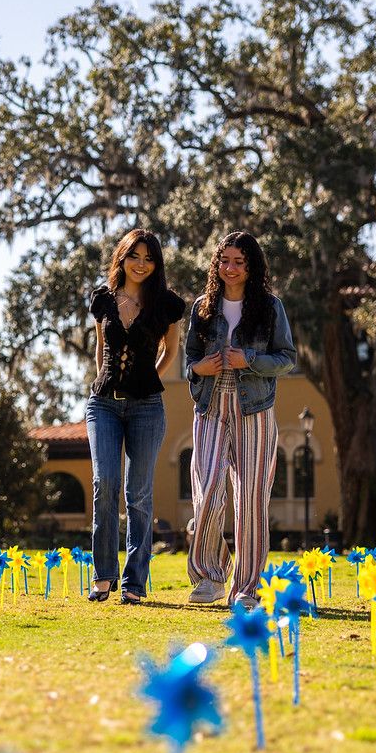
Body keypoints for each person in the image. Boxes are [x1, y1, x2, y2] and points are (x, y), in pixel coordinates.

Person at [183, 231, 297, 608]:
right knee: (209, 489)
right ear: (216, 264)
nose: (230, 268)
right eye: (224, 261)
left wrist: (249, 359)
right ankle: (211, 576)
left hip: (255, 410)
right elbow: (190, 363)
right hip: (211, 406)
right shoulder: (203, 306)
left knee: (251, 500)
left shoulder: (270, 308)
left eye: (238, 262)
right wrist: (200, 367)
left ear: (251, 267)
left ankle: (247, 588)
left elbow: (287, 358)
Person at [84, 228, 186, 604]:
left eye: (149, 258)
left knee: (138, 494)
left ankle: (134, 583)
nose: (141, 264)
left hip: (147, 408)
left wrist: (146, 381)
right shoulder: (103, 299)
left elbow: (171, 351)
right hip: (103, 405)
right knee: (104, 484)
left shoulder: (167, 304)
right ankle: (103, 576)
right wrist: (104, 380)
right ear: (122, 258)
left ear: (156, 264)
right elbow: (101, 350)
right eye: (134, 256)